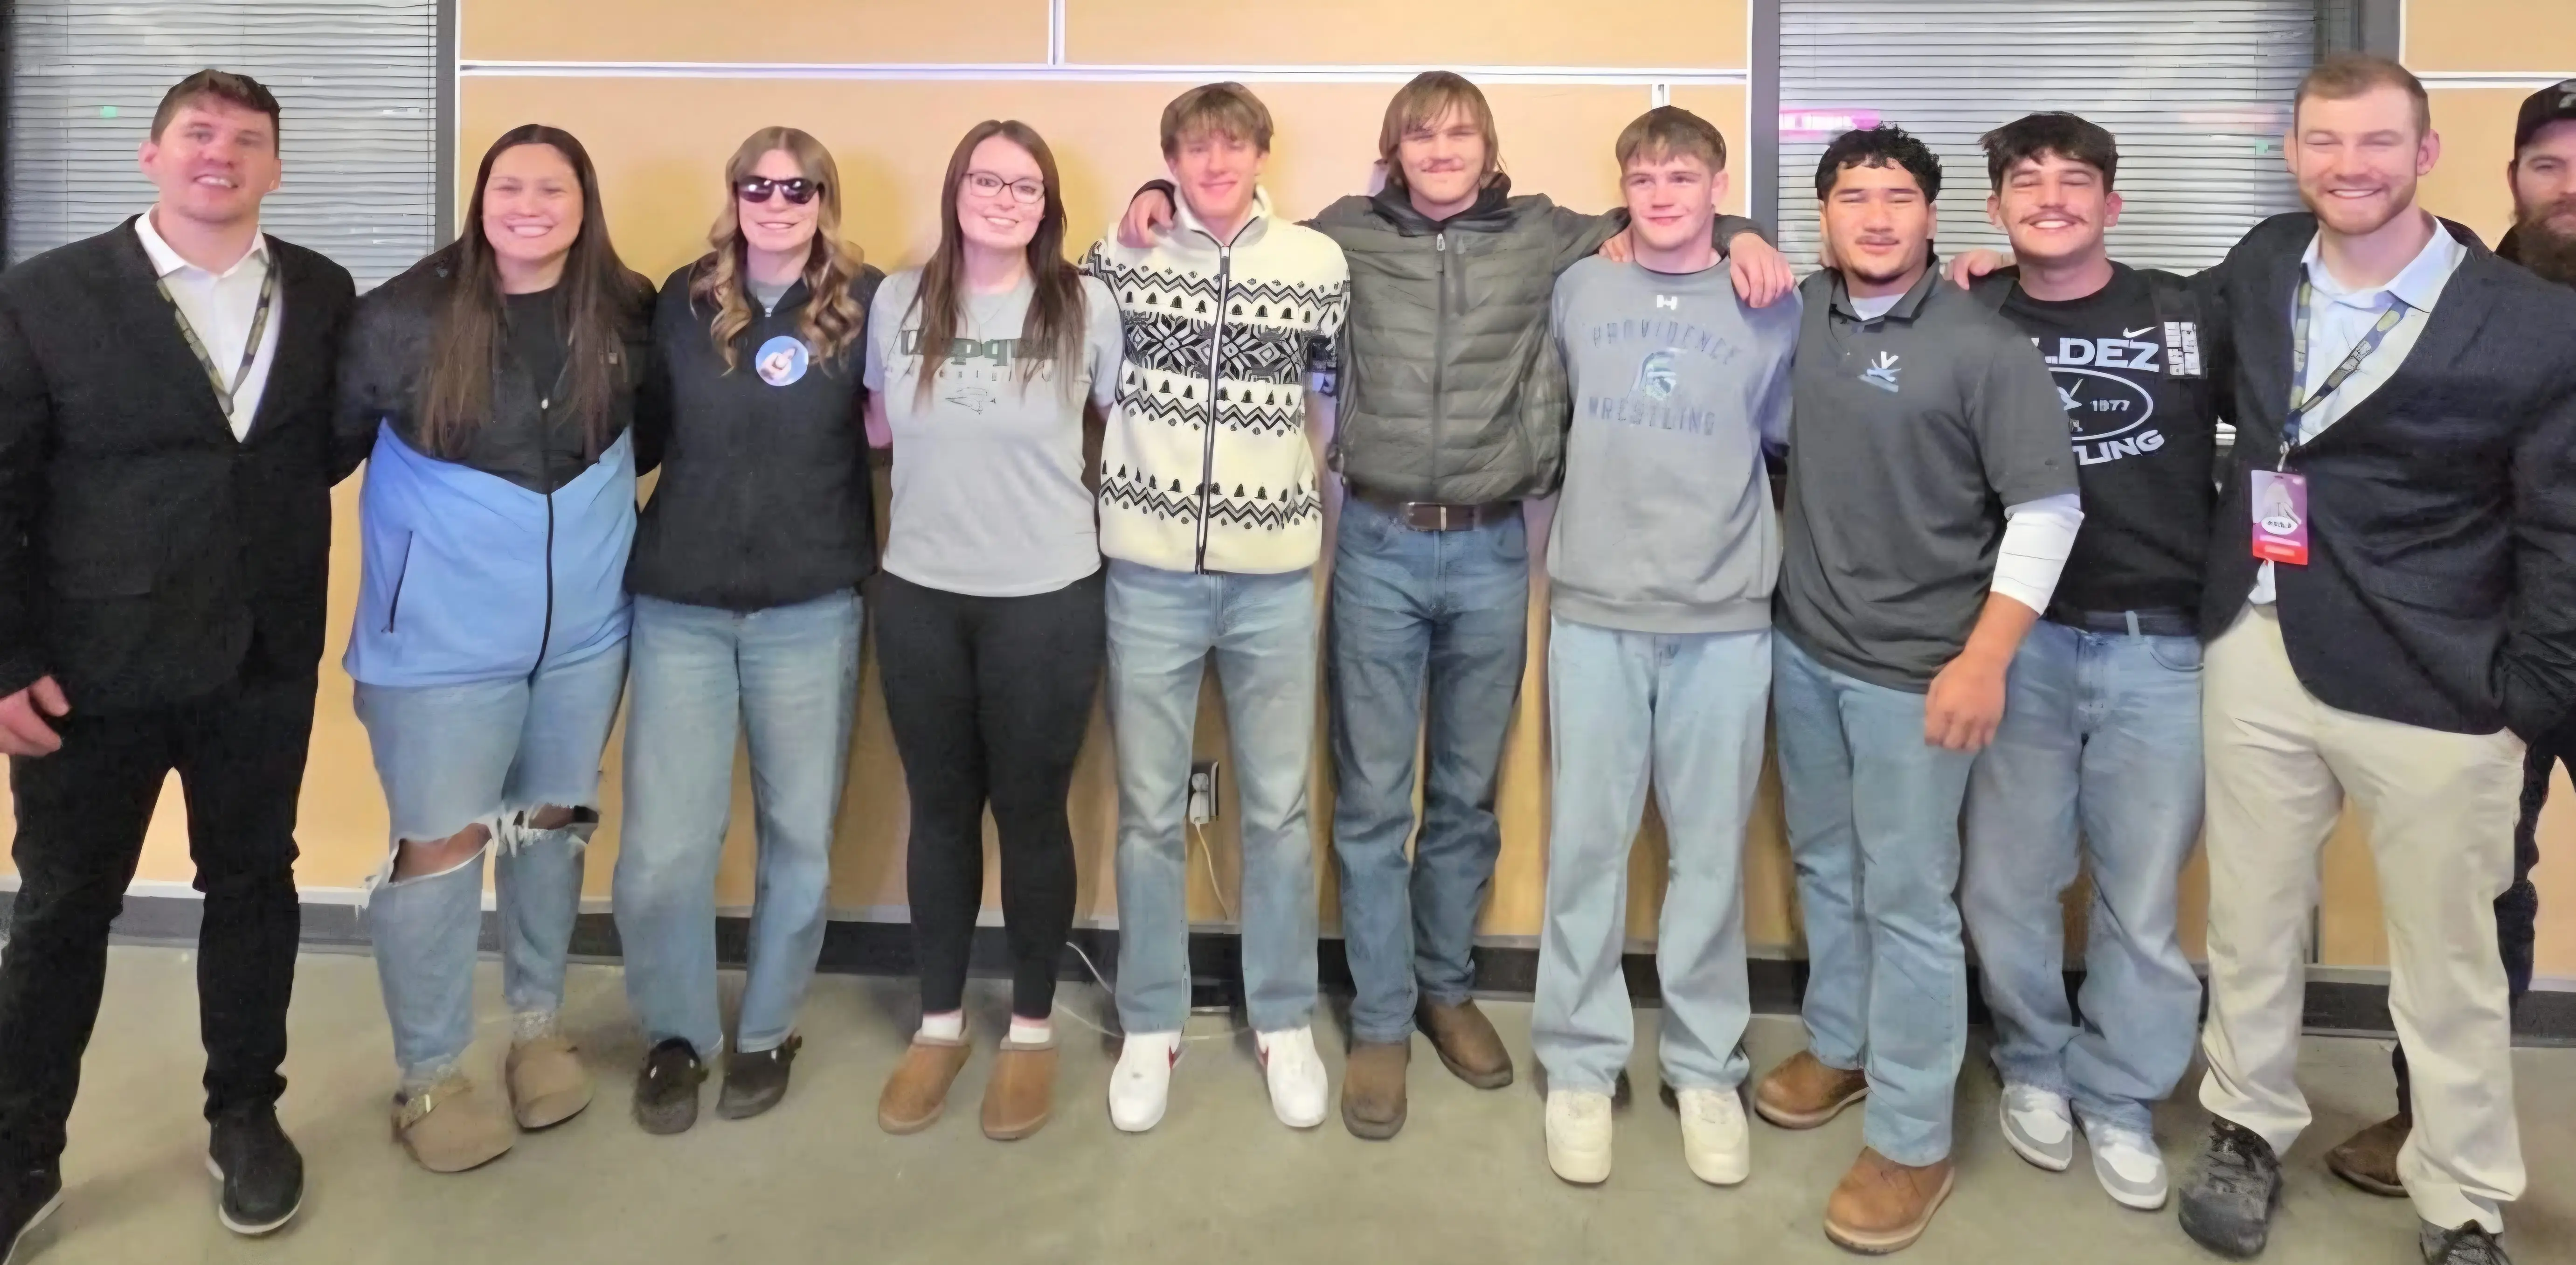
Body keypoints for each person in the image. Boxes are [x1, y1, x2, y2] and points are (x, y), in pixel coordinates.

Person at [1119, 69, 1793, 1141]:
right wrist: (1151, 205)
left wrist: (1750, 230)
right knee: (1376, 800)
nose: (1440, 151)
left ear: (1487, 149)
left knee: (1466, 798)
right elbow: (1234, 226)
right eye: (1420, 135)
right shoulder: (1341, 236)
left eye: (1460, 134)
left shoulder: (1545, 237)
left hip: (1488, 550)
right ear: (1393, 150)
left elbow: (1665, 212)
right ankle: (1379, 1018)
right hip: (1378, 546)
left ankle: (1444, 989)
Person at [2145, 57, 2576, 1265]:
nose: (2349, 167)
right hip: (2258, 642)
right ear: (2292, 151)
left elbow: (2560, 525)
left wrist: (2526, 700)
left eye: (2377, 143)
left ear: (2427, 154)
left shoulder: (2535, 321)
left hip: (2439, 680)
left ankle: (2459, 1200)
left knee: (2449, 965)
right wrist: (2001, 271)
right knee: (2252, 916)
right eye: (2324, 143)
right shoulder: (2263, 261)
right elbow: (2162, 316)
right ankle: (2244, 1126)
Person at [0, 70, 354, 1254]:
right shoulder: (46, 295)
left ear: (276, 168)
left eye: (249, 139)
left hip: (260, 656)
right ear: (150, 156)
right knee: (60, 909)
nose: (223, 155)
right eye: (198, 135)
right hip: (88, 670)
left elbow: (325, 446)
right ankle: (21, 1152)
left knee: (254, 887)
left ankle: (246, 1117)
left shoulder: (319, 291)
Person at [1754, 124, 2080, 1254]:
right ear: (1825, 216)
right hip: (1804, 649)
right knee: (1824, 866)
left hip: (1920, 674)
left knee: (1908, 898)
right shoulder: (1797, 314)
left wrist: (1982, 658)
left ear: (1933, 216)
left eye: (1898, 197)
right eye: (1853, 198)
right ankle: (1840, 1046)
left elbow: (2046, 512)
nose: (1877, 218)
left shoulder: (1982, 347)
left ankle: (1911, 1136)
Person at [336, 124, 657, 1174]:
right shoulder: (399, 317)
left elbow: (643, 437)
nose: (530, 204)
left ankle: (535, 1026)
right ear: (480, 199)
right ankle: (430, 1073)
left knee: (551, 822)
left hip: (582, 635)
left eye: (552, 187)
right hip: (437, 645)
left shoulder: (625, 308)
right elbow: (321, 451)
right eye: (509, 185)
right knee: (442, 845)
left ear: (584, 200)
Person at [1952, 112, 2228, 1214]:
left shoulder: (2186, 314)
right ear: (1996, 208)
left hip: (2158, 644)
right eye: (2027, 182)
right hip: (2014, 643)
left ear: (2111, 205)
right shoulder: (1965, 312)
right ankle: (2030, 1062)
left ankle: (2117, 1092)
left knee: (2139, 892)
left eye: (2075, 182)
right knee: (2006, 881)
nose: (2051, 197)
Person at [1529, 105, 1796, 1189]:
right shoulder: (1578, 286)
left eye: (1682, 177)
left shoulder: (1769, 303)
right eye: (1642, 177)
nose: (1660, 194)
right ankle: (1582, 1063)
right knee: (1586, 849)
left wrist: (1745, 236)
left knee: (1705, 857)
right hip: (1594, 608)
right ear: (1622, 188)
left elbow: (1783, 442)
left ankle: (1703, 1066)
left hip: (1723, 618)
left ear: (1716, 184)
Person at [1077, 83, 1349, 1134]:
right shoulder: (1123, 258)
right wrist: (1131, 214)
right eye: (1192, 150)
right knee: (1148, 811)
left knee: (1277, 809)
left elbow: (1325, 395)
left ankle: (1280, 1018)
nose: (1213, 163)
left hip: (1272, 574)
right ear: (1171, 163)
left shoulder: (1315, 265)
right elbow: (1092, 387)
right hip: (1144, 570)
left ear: (1260, 153)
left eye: (1231, 145)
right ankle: (1151, 1021)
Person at [2322, 76, 2576, 1200]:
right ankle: (2423, 1116)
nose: (2569, 188)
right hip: (2502, 649)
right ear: (2510, 175)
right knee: (2476, 899)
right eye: (2547, 165)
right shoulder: (2467, 294)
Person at [613, 126, 883, 1135]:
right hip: (680, 602)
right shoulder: (680, 301)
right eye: (757, 185)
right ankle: (677, 1036)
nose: (777, 201)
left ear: (825, 196)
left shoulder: (868, 302)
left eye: (799, 185)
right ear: (732, 196)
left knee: (799, 839)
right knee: (662, 854)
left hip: (810, 605)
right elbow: (634, 430)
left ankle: (767, 1029)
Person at [867, 119, 1123, 1144]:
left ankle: (1026, 1031)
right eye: (984, 179)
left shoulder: (1081, 304)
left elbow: (1117, 418)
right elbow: (874, 422)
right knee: (937, 812)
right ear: (955, 188)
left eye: (1023, 186)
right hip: (921, 593)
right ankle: (937, 1026)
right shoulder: (900, 297)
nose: (1002, 198)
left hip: (1046, 596)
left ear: (1046, 205)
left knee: (1029, 812)